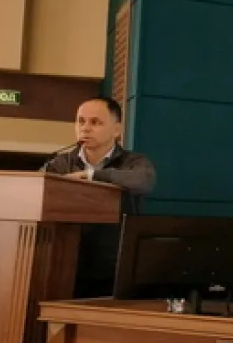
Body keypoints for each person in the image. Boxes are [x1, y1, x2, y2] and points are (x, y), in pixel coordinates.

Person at [41, 96, 156, 297]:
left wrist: (93, 175)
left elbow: (144, 181)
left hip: (115, 268)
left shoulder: (133, 162)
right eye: (81, 121)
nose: (85, 128)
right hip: (65, 265)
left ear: (117, 130)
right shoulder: (60, 164)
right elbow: (34, 190)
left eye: (95, 122)